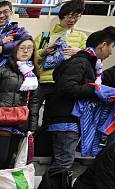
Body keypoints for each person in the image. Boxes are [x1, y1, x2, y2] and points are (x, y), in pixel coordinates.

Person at [44, 26, 115, 173]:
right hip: (66, 120)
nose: (111, 52)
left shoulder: (86, 63)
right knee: (63, 164)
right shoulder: (81, 62)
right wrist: (96, 90)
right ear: (103, 45)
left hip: (67, 120)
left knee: (63, 163)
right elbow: (67, 87)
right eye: (111, 47)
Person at [33, 0, 86, 157]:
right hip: (43, 81)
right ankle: (31, 144)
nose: (72, 20)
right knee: (33, 115)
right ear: (62, 16)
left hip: (64, 83)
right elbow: (32, 56)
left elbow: (88, 58)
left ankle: (46, 149)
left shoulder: (81, 37)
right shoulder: (44, 36)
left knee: (52, 117)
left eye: (76, 16)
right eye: (70, 16)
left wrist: (78, 51)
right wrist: (44, 52)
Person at [0, 38, 40, 173]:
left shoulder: (32, 74)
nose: (25, 51)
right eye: (22, 47)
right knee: (0, 158)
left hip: (19, 122)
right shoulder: (1, 70)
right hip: (1, 119)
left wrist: (32, 127)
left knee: (8, 160)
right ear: (14, 50)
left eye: (29, 48)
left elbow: (34, 102)